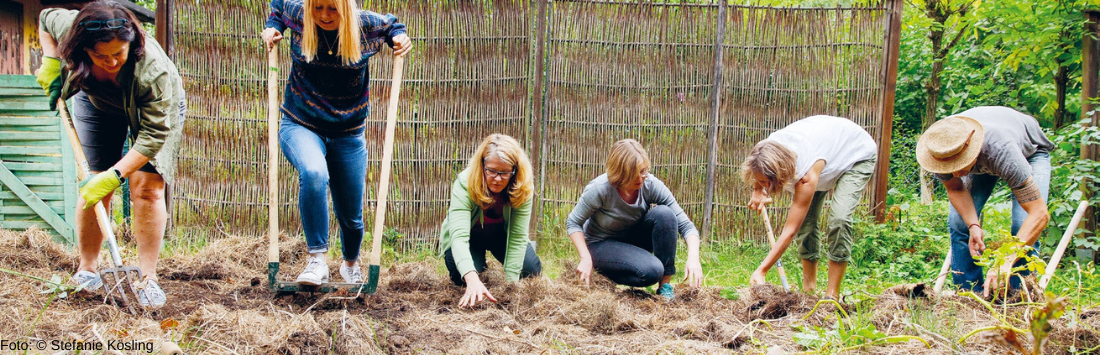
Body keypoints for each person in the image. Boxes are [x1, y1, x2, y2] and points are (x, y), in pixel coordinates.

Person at [36, 0, 186, 307]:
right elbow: (44, 18)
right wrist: (51, 61)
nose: (111, 62)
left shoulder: (152, 72)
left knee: (147, 188)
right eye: (99, 56)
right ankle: (87, 270)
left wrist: (116, 175)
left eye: (118, 53)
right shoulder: (70, 28)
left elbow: (155, 134)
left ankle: (148, 279)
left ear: (131, 43)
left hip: (154, 114)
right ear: (83, 47)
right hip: (97, 104)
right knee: (94, 186)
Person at [262, 0, 411, 285]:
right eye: (317, 8)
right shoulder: (300, 15)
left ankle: (350, 265)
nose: (324, 16)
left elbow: (393, 25)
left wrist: (399, 37)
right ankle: (317, 261)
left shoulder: (366, 25)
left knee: (351, 216)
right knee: (314, 173)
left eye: (332, 8)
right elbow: (279, 7)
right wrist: (272, 27)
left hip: (348, 132)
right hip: (301, 123)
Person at [917, 106, 1052, 297]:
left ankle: (1017, 296)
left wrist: (1006, 261)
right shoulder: (941, 149)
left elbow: (1039, 214)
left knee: (1023, 224)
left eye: (959, 165)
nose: (956, 173)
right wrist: (973, 225)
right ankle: (970, 295)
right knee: (959, 222)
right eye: (950, 167)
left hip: (1030, 152)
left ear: (970, 150)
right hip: (981, 158)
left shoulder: (1002, 152)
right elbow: (955, 188)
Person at [743, 115, 877, 300]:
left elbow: (790, 231)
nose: (765, 185)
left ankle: (832, 295)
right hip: (825, 149)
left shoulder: (805, 175)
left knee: (839, 219)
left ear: (779, 174)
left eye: (766, 182)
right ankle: (809, 290)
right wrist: (758, 189)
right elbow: (757, 168)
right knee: (807, 223)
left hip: (855, 154)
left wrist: (762, 269)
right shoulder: (765, 149)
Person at [566, 139, 703, 300]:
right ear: (620, 173)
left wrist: (693, 257)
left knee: (665, 214)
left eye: (643, 170)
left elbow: (686, 225)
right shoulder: (600, 189)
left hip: (632, 242)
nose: (640, 178)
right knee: (652, 272)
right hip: (601, 245)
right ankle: (603, 275)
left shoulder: (650, 184)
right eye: (633, 174)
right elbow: (573, 222)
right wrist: (585, 257)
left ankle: (665, 287)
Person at [439, 134, 543, 307]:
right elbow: (459, 237)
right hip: (470, 236)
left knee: (530, 271)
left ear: (515, 171)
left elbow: (517, 236)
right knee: (462, 275)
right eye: (492, 171)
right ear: (482, 165)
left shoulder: (523, 186)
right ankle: (476, 266)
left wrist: (510, 287)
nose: (497, 178)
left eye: (504, 173)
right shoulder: (465, 183)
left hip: (501, 236)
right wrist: (472, 278)